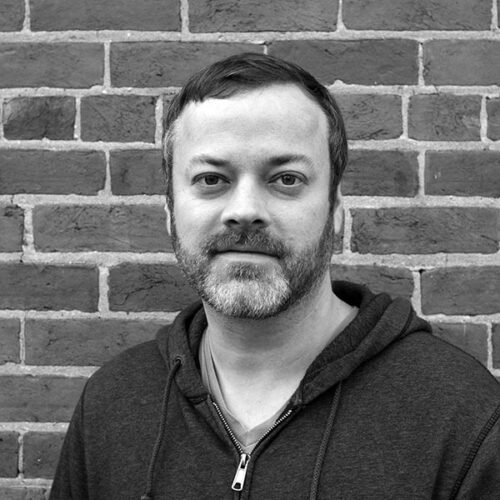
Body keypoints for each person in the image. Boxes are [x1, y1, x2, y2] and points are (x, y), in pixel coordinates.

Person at [50, 53, 500, 500]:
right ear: (170, 212)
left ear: (335, 210)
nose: (245, 211)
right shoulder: (111, 404)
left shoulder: (463, 417)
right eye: (211, 179)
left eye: (286, 179)